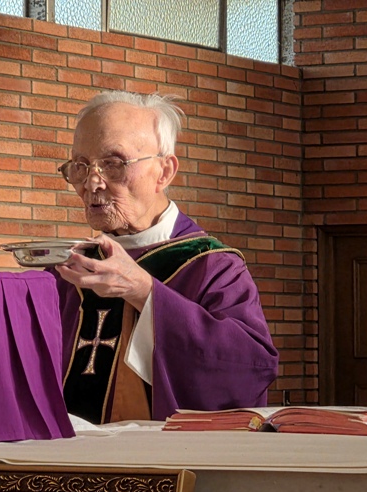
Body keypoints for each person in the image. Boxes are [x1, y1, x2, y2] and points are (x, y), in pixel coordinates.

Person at [53, 90, 280, 424]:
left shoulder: (212, 266)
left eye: (113, 164)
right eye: (80, 166)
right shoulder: (71, 269)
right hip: (70, 451)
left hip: (165, 453)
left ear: (164, 172)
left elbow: (249, 368)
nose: (92, 183)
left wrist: (145, 292)